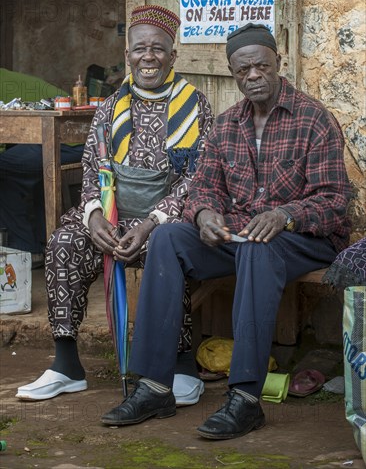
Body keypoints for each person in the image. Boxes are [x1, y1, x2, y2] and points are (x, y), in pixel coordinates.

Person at [99, 23, 352, 440]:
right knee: (167, 238)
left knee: (257, 246)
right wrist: (203, 216)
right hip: (241, 236)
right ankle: (154, 386)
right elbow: (202, 188)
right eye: (243, 70)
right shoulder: (227, 123)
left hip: (305, 239)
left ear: (278, 64)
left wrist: (285, 215)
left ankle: (245, 398)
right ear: (233, 73)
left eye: (261, 67)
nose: (252, 76)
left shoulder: (313, 119)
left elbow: (334, 201)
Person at [16, 5, 214, 403]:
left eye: (158, 49)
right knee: (64, 242)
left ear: (173, 56)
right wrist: (92, 216)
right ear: (127, 56)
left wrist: (153, 221)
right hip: (112, 215)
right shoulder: (109, 107)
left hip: (165, 220)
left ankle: (180, 364)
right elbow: (92, 167)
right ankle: (67, 365)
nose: (148, 57)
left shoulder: (196, 106)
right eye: (139, 49)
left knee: (168, 247)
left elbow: (199, 178)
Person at [0, 68, 84, 265]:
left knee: (3, 168)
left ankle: (25, 248)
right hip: (76, 136)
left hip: (66, 139)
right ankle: (39, 243)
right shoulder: (7, 77)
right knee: (14, 173)